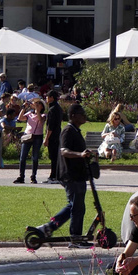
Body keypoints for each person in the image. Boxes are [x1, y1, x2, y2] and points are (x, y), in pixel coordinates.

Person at [31, 105, 93, 245]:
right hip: (70, 175)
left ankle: (49, 227)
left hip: (78, 175)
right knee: (76, 207)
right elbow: (63, 151)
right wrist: (80, 154)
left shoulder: (76, 131)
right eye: (81, 113)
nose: (84, 116)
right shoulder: (68, 130)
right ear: (73, 116)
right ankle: (75, 238)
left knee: (75, 206)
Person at [43, 90, 64, 184]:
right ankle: (54, 175)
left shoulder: (52, 109)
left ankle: (54, 176)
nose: (46, 98)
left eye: (47, 97)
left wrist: (46, 138)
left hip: (53, 136)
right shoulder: (58, 108)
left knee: (53, 157)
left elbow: (50, 126)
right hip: (57, 135)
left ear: (51, 97)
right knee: (55, 157)